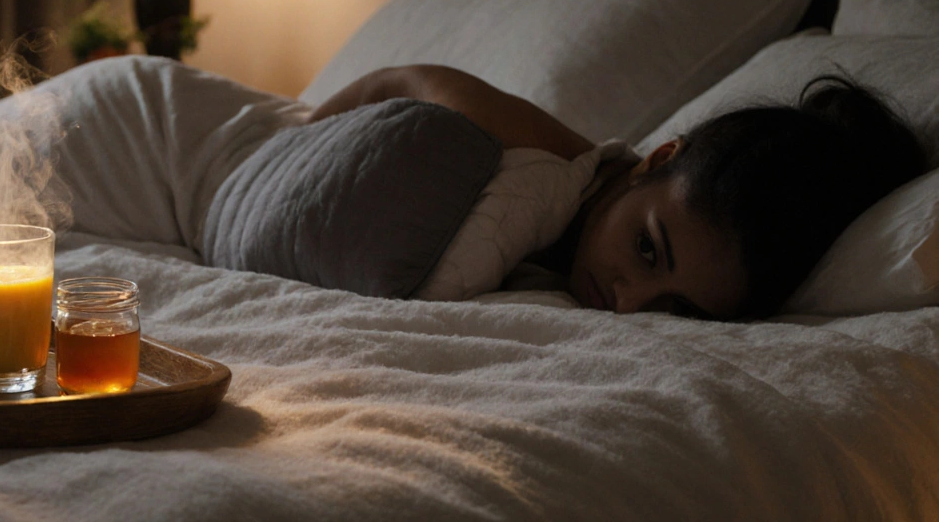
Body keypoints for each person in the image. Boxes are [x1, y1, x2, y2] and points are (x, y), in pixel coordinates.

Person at [310, 65, 927, 320]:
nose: (628, 302)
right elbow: (398, 81)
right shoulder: (525, 150)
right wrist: (291, 145)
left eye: (674, 308)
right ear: (658, 159)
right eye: (648, 249)